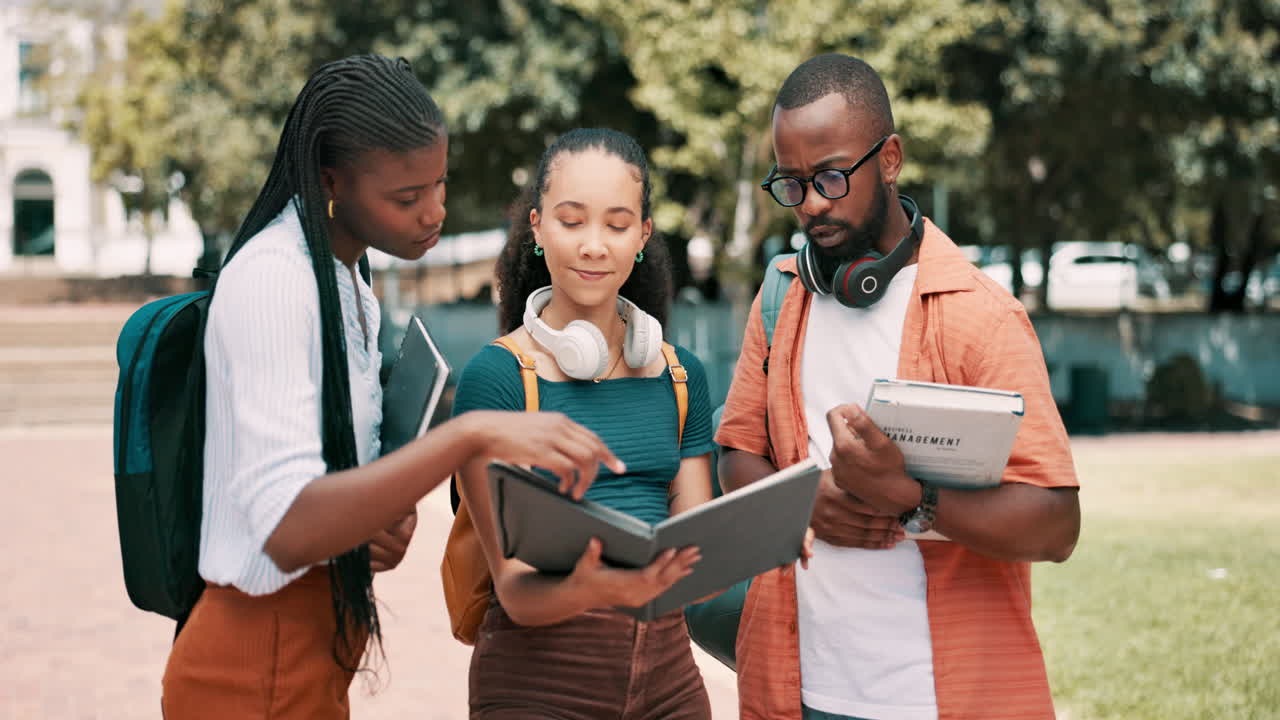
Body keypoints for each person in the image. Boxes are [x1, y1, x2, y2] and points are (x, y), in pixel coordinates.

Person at [160, 55, 622, 720]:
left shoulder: (347, 277)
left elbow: (325, 498)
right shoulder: (275, 280)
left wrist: (373, 523)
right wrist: (467, 434)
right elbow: (288, 530)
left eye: (439, 183)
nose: (433, 211)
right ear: (331, 181)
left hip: (312, 649)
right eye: (406, 198)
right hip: (254, 665)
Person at [716, 54, 1082, 720]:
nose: (813, 204)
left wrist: (913, 499)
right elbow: (736, 455)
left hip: (941, 700)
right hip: (797, 695)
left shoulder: (980, 315)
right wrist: (802, 503)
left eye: (831, 176)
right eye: (792, 185)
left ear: (889, 159)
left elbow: (1056, 524)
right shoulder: (781, 297)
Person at [450, 128, 718, 720]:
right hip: (539, 686)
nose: (594, 245)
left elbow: (694, 555)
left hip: (670, 681)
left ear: (643, 236)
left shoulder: (681, 377)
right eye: (572, 222)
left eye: (617, 225)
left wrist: (759, 538)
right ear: (538, 228)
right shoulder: (494, 380)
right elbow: (516, 592)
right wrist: (599, 589)